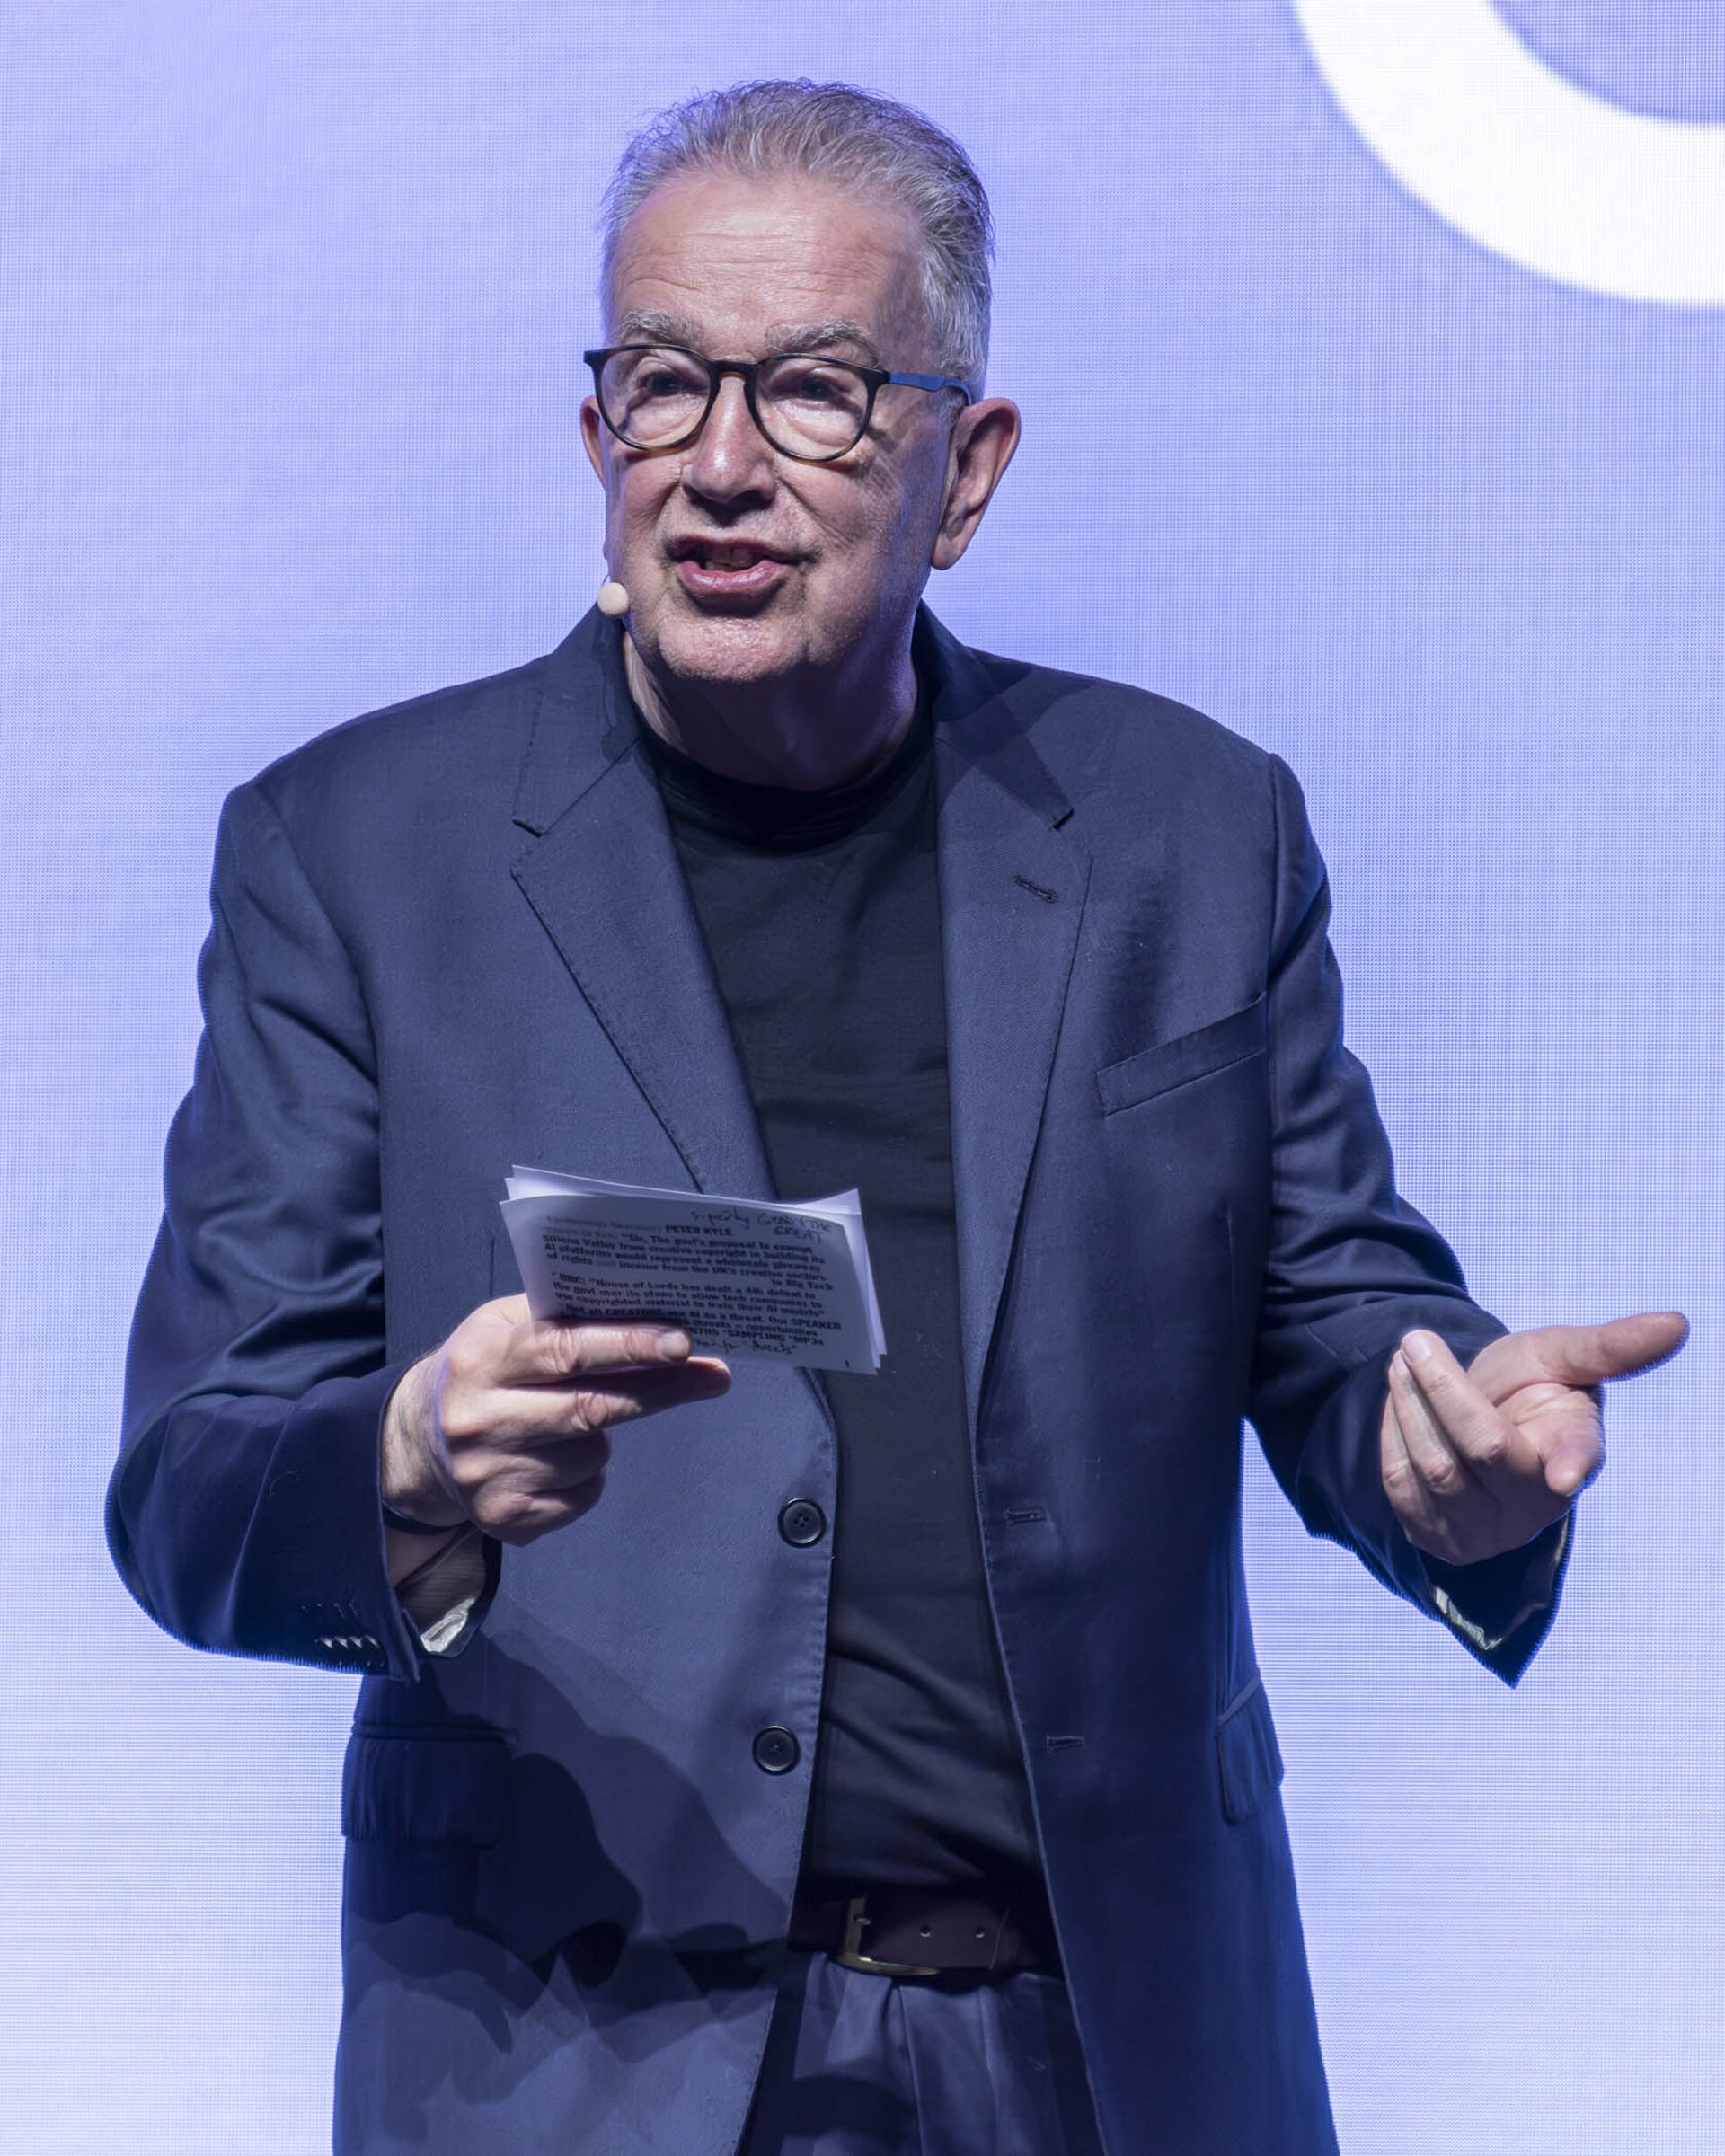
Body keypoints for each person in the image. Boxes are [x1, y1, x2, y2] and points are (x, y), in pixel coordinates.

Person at [109, 79, 1686, 2156]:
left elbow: (1335, 1319)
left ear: (968, 472)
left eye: (821, 395)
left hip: (1108, 2052)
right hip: (580, 2059)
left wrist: (1454, 1470)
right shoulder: (353, 852)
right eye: (663, 389)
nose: (723, 469)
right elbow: (193, 1488)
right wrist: (399, 1476)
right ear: (598, 445)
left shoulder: (1186, 835)